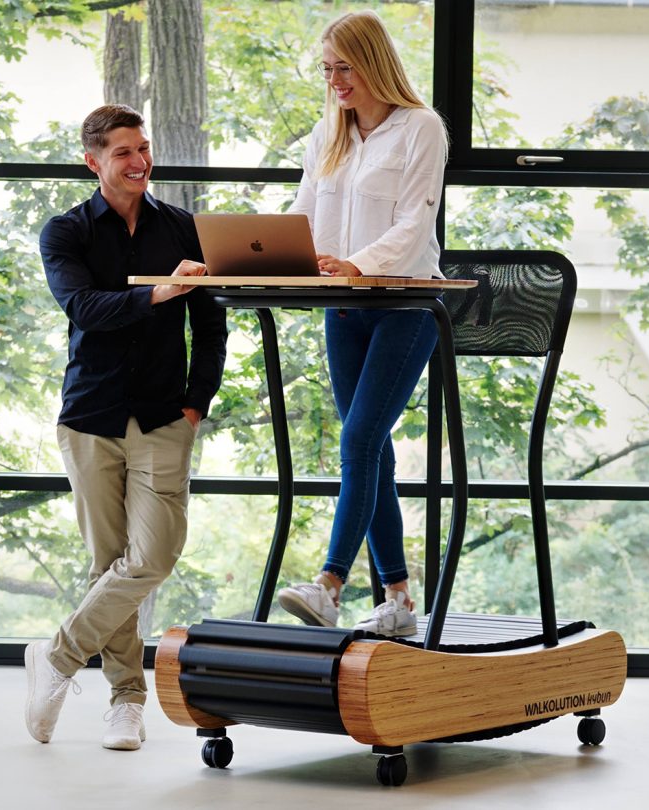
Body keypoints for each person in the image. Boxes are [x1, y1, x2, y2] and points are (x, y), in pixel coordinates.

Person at [26, 104, 228, 750]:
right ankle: (126, 700)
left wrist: (198, 402)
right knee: (107, 562)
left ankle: (56, 658)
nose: (141, 161)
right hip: (89, 417)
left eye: (144, 148)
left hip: (166, 415)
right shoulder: (65, 233)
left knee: (155, 553)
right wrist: (158, 294)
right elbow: (84, 307)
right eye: (124, 152)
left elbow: (213, 326)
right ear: (94, 162)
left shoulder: (183, 229)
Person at [277, 11, 448, 638]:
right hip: (342, 310)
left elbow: (414, 225)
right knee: (370, 452)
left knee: (357, 445)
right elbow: (303, 213)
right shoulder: (329, 134)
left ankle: (329, 584)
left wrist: (355, 263)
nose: (335, 81)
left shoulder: (421, 129)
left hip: (406, 307)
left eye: (344, 67)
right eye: (327, 70)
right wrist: (280, 257)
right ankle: (400, 599)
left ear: (373, 62)